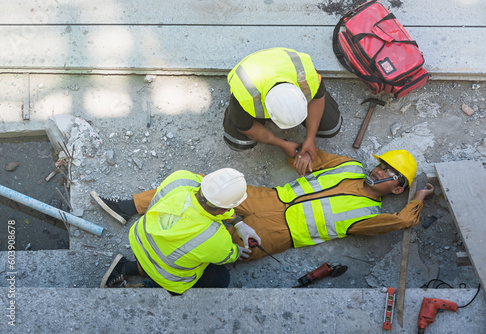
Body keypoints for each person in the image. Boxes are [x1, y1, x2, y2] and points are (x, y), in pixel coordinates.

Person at [96, 149, 434, 263]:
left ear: (397, 187)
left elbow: (400, 221)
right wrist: (299, 155)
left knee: (217, 248)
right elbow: (310, 155)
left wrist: (417, 199)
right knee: (208, 185)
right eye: (382, 165)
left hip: (279, 232)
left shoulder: (369, 216)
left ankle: (137, 269)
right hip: (271, 196)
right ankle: (130, 206)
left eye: (390, 174)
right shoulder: (347, 165)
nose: (380, 171)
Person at [93, 168, 261, 295]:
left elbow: (212, 202)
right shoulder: (216, 238)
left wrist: (237, 222)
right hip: (166, 275)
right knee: (221, 278)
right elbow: (226, 255)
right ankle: (154, 287)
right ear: (227, 207)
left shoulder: (181, 178)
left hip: (139, 240)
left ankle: (127, 267)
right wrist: (236, 251)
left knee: (174, 253)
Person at [223, 47, 342, 176]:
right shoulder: (245, 94)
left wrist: (310, 138)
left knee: (330, 127)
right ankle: (233, 112)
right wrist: (281, 144)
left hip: (284, 65)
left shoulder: (306, 76)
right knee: (238, 141)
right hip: (252, 74)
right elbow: (246, 128)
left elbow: (318, 98)